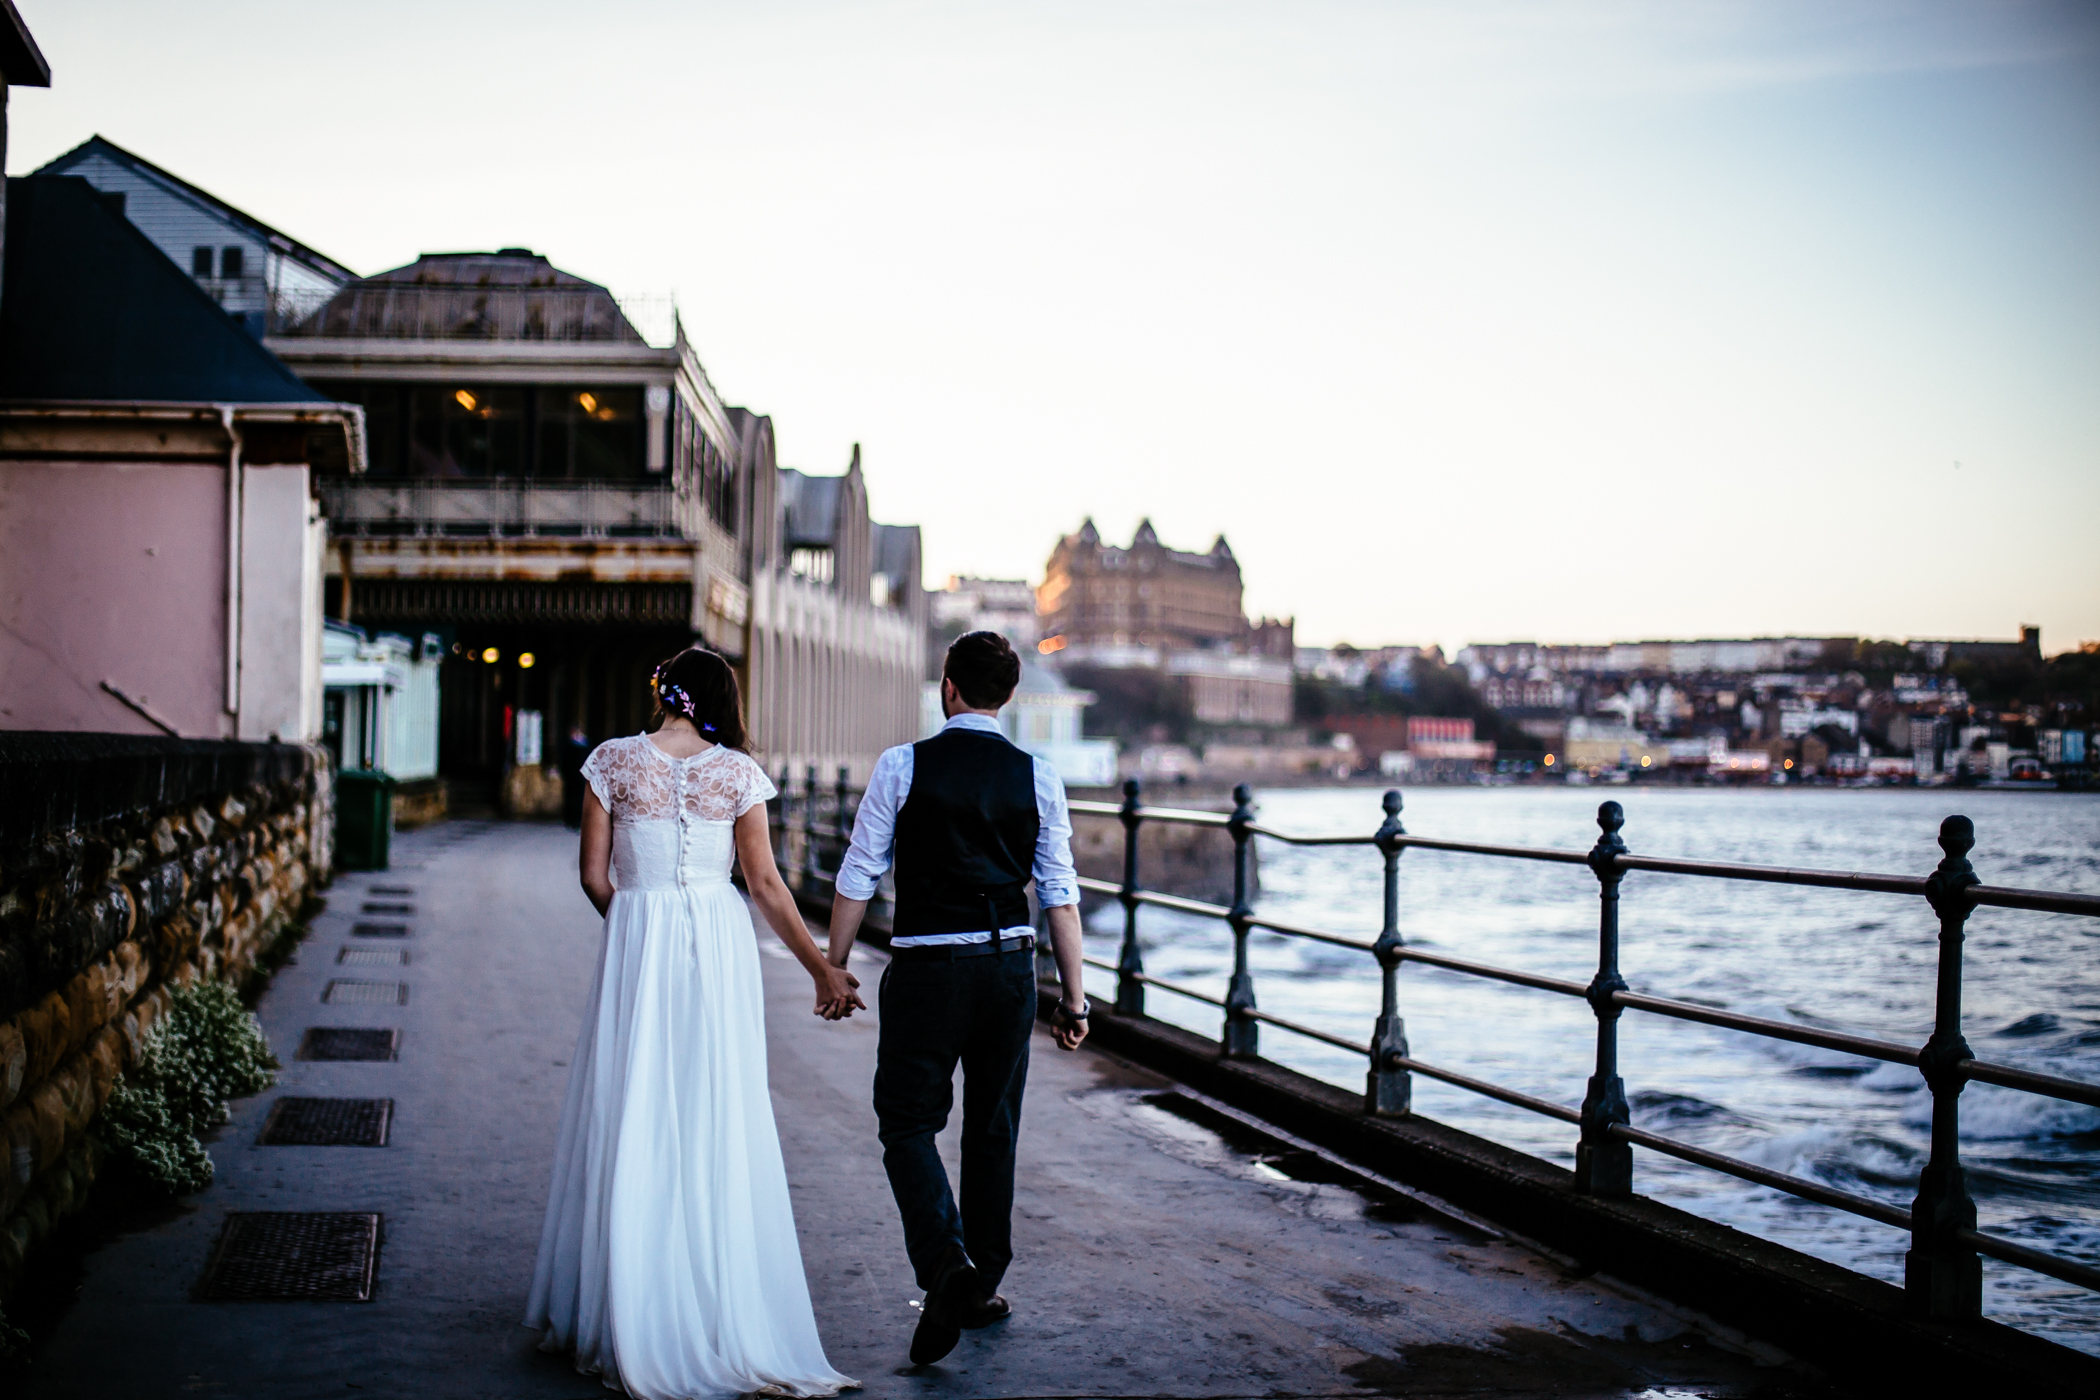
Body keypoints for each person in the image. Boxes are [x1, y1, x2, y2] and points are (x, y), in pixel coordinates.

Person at [525, 647, 863, 1399]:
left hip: (637, 944)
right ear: (722, 700)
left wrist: (634, 930)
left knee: (632, 1105)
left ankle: (627, 1302)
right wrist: (822, 970)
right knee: (715, 1111)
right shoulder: (738, 773)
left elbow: (593, 876)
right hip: (717, 943)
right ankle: (715, 1302)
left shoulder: (611, 762)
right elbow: (768, 885)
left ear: (666, 696)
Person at [822, 630, 1091, 1367]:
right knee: (993, 1125)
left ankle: (947, 1267)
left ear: (948, 688)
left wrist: (834, 967)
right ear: (1006, 697)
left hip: (926, 967)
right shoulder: (1037, 775)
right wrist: (1074, 999)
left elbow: (860, 870)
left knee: (907, 1123)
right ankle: (980, 1281)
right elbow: (1060, 896)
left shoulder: (903, 765)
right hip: (1008, 968)